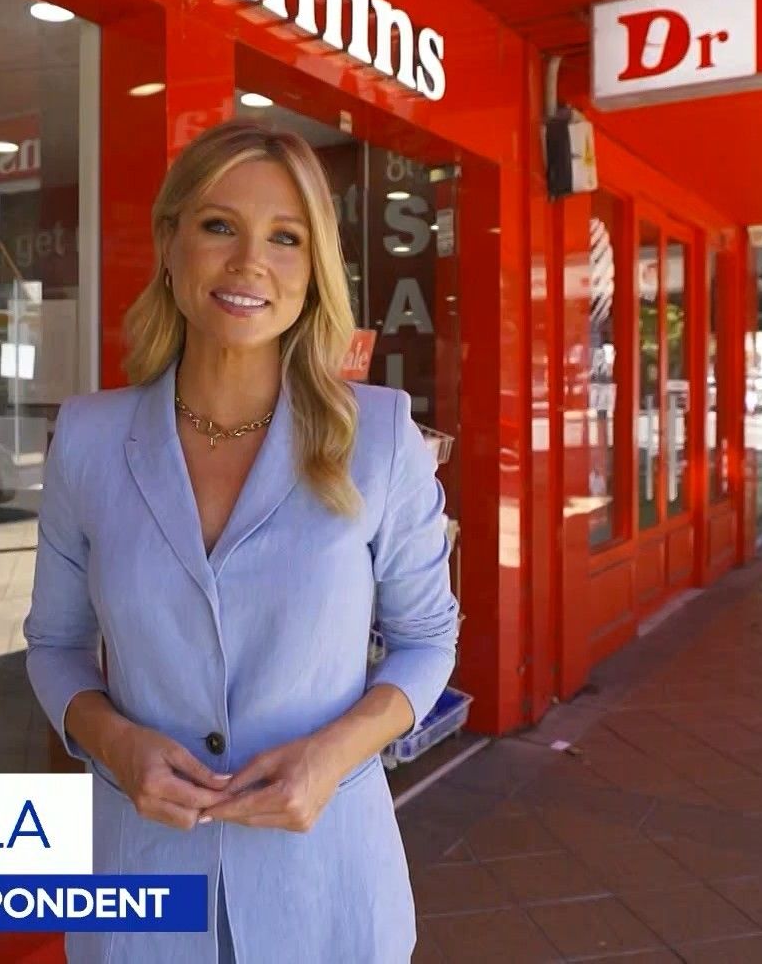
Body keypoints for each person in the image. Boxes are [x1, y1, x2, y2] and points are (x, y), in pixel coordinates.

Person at [23, 121, 459, 964]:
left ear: (315, 267)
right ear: (170, 242)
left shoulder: (380, 437)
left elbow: (428, 641)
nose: (249, 262)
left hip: (327, 890)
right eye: (220, 225)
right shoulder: (87, 439)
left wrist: (331, 758)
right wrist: (115, 743)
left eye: (285, 237)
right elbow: (55, 646)